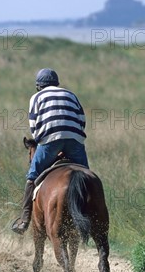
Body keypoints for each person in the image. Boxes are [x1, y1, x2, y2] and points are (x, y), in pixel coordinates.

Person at [11, 68, 89, 234]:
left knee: (32, 176)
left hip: (50, 141)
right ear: (57, 83)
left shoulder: (36, 97)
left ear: (39, 85)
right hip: (75, 140)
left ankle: (24, 219)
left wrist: (43, 141)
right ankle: (88, 213)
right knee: (86, 177)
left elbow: (34, 125)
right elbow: (82, 120)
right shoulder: (71, 95)